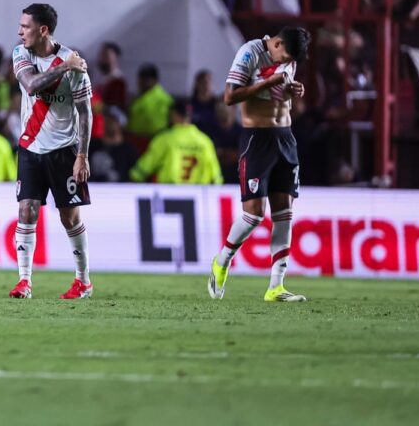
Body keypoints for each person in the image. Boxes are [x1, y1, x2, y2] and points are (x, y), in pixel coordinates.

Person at [209, 26, 311, 303]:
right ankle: (222, 260)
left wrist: (293, 90)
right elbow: (229, 97)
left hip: (285, 138)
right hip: (257, 138)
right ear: (277, 43)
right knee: (254, 215)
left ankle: (276, 286)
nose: (285, 62)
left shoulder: (288, 59)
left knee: (284, 213)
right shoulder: (250, 53)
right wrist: (268, 83)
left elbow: (281, 95)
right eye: (285, 57)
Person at [9, 3, 93, 300]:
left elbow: (85, 112)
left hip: (64, 150)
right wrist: (65, 66)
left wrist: (82, 156)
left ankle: (83, 281)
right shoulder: (22, 54)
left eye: (25, 27)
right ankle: (24, 281)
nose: (20, 32)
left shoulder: (76, 68)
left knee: (70, 217)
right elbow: (31, 85)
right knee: (26, 209)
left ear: (43, 30)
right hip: (31, 147)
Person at [129, 99, 222, 184]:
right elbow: (217, 178)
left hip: (170, 194)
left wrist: (132, 180)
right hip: (197, 194)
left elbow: (140, 171)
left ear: (173, 114)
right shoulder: (205, 141)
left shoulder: (164, 139)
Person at [126, 63, 172, 151]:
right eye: (141, 79)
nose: (142, 82)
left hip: (154, 140)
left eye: (146, 79)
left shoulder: (164, 99)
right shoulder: (137, 97)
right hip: (135, 140)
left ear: (155, 80)